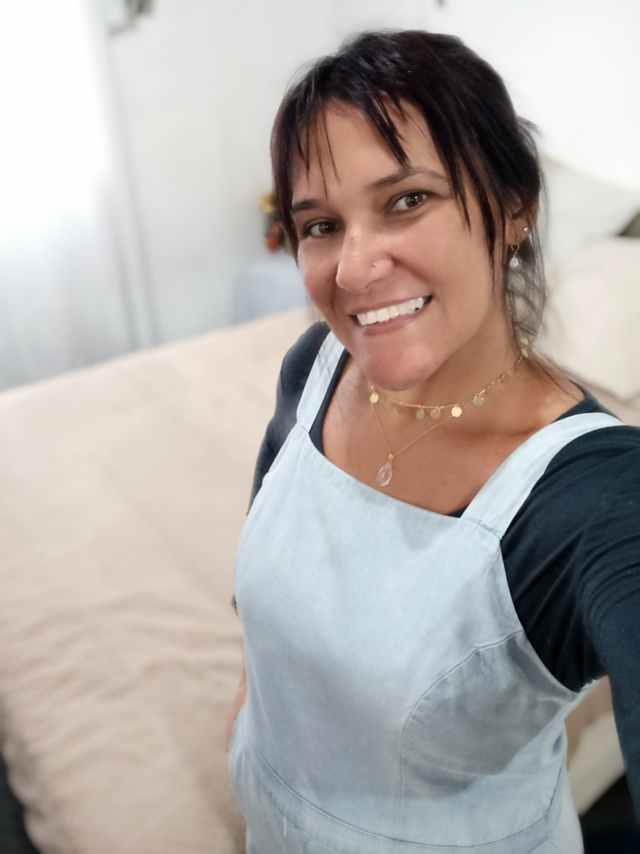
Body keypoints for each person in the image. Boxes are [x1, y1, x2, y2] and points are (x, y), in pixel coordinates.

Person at [227, 30, 640, 853]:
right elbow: (264, 591)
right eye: (320, 224)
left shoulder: (591, 502)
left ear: (515, 206)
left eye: (407, 200)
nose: (352, 270)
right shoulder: (314, 367)